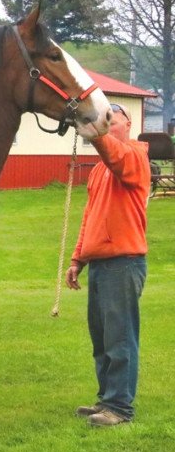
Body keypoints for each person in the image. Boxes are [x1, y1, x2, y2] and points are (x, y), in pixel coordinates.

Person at [66, 103, 150, 427]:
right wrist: (77, 259)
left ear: (127, 124)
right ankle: (107, 400)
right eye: (103, 118)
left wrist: (99, 135)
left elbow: (116, 156)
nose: (105, 122)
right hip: (101, 265)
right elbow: (90, 218)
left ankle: (120, 408)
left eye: (112, 118)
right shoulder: (100, 170)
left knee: (120, 338)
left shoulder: (134, 156)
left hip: (124, 263)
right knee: (101, 339)